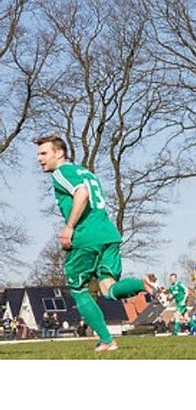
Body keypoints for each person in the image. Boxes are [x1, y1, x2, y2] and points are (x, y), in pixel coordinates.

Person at [35, 135, 160, 351]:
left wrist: (70, 227)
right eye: (38, 154)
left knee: (78, 289)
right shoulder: (86, 172)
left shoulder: (62, 172)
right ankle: (143, 285)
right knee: (108, 290)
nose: (39, 158)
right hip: (108, 235)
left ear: (59, 153)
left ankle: (107, 340)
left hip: (86, 238)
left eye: (44, 153)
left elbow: (81, 193)